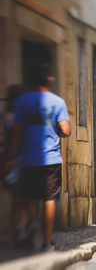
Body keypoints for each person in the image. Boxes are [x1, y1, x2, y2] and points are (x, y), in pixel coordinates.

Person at [6, 64, 71, 252]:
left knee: (31, 197)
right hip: (50, 158)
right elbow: (66, 131)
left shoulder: (21, 102)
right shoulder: (58, 102)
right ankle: (46, 242)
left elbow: (17, 132)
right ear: (49, 80)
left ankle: (33, 224)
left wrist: (11, 157)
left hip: (29, 158)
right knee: (49, 199)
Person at [1, 84, 29, 245]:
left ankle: (14, 230)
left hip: (11, 161)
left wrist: (8, 158)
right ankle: (22, 228)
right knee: (25, 199)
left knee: (14, 199)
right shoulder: (26, 117)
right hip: (27, 160)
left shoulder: (5, 118)